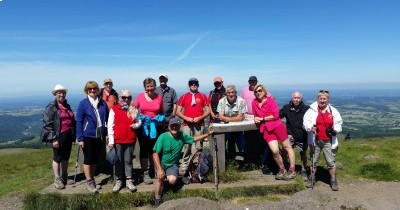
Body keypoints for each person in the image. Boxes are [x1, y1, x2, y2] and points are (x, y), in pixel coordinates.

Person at [152, 117, 214, 206]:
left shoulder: (182, 136)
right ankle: (157, 199)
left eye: (176, 126)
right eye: (172, 126)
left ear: (179, 126)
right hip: (160, 163)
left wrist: (208, 133)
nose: (174, 128)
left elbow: (194, 139)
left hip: (172, 165)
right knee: (159, 178)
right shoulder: (163, 137)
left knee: (172, 180)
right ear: (169, 127)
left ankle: (172, 178)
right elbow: (155, 154)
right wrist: (159, 169)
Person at [252, 84, 296, 180]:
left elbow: (276, 115)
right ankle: (282, 169)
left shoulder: (270, 101)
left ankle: (292, 170)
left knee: (287, 147)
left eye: (260, 90)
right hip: (266, 129)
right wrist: (256, 119)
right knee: (274, 151)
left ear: (264, 92)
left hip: (277, 126)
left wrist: (262, 118)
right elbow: (255, 115)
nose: (258, 93)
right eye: (256, 92)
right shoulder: (254, 103)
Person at [303, 90, 343, 191]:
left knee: (330, 162)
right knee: (313, 161)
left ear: (328, 100)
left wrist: (335, 130)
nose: (322, 100)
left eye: (324, 99)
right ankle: (312, 179)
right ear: (318, 99)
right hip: (315, 139)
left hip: (328, 141)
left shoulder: (333, 111)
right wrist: (310, 128)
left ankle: (333, 181)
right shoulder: (311, 110)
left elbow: (339, 123)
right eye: (320, 98)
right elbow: (305, 122)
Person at [41, 84, 75, 190]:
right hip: (58, 135)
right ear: (55, 94)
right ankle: (57, 179)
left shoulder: (66, 105)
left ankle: (64, 176)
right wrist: (54, 139)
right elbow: (47, 124)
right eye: (59, 92)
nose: (62, 94)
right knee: (57, 157)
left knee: (65, 156)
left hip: (68, 134)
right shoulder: (51, 107)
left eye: (63, 92)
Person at [76, 81, 108, 193]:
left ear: (98, 89)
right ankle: (89, 182)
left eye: (94, 88)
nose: (92, 90)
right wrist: (80, 138)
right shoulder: (83, 103)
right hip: (87, 135)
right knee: (88, 159)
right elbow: (79, 121)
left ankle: (92, 180)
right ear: (87, 90)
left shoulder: (102, 103)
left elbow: (107, 118)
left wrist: (107, 132)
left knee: (95, 159)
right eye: (90, 89)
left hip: (99, 134)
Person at [107, 89, 141, 193]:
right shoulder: (114, 109)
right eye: (123, 97)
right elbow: (110, 125)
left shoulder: (133, 108)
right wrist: (111, 141)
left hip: (130, 139)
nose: (126, 99)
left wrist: (136, 125)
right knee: (118, 161)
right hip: (118, 140)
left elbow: (139, 121)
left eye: (128, 97)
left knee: (128, 161)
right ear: (119, 98)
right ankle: (118, 181)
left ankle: (129, 180)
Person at [175, 77, 210, 176]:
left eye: (195, 84)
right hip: (187, 124)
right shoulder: (184, 96)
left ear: (198, 85)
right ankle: (184, 165)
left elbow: (208, 110)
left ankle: (197, 165)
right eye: (191, 84)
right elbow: (177, 111)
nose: (193, 85)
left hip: (199, 124)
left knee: (198, 145)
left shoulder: (203, 96)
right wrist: (186, 118)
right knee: (186, 145)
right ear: (188, 85)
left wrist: (200, 117)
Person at [134, 77, 164, 185]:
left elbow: (161, 112)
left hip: (155, 127)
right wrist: (137, 119)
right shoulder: (140, 97)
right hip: (143, 127)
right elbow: (133, 109)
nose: (150, 88)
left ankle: (153, 169)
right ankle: (145, 173)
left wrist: (159, 118)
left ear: (155, 87)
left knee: (154, 149)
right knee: (144, 149)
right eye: (148, 86)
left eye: (151, 86)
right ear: (144, 87)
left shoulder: (159, 98)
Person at [240, 76, 273, 173]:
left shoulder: (260, 89)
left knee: (261, 141)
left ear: (257, 82)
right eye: (251, 81)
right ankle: (250, 161)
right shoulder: (245, 90)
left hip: (261, 118)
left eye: (254, 81)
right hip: (248, 118)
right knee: (249, 140)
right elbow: (241, 102)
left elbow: (271, 98)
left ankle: (261, 162)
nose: (252, 83)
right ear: (248, 82)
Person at [279, 91, 310, 180]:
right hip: (290, 134)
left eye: (298, 98)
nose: (296, 99)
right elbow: (278, 115)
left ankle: (303, 170)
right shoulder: (286, 107)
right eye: (294, 98)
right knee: (286, 150)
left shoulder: (306, 109)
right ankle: (288, 167)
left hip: (303, 135)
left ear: (301, 98)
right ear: (292, 98)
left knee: (303, 153)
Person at [217, 85, 247, 160]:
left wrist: (226, 119)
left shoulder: (241, 101)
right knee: (223, 144)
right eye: (229, 92)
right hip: (225, 128)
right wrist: (235, 118)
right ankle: (225, 160)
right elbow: (220, 116)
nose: (231, 94)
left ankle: (244, 161)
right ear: (226, 94)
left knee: (241, 145)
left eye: (232, 92)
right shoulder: (221, 101)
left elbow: (241, 117)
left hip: (238, 128)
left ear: (235, 93)